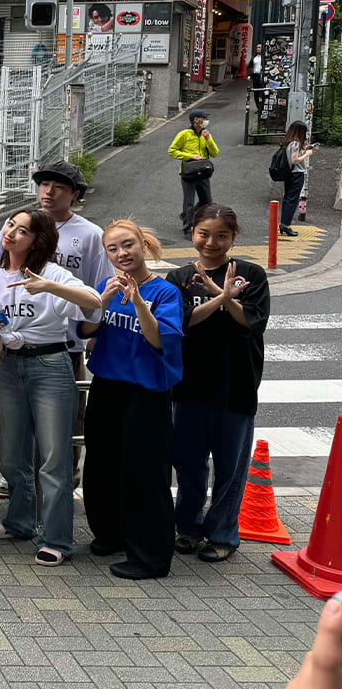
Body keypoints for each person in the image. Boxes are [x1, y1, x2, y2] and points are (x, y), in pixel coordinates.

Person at [0, 161, 113, 493]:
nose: (49, 192)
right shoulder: (23, 224)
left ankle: (64, 480)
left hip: (64, 346)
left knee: (65, 420)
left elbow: (100, 287)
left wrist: (95, 333)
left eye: (59, 187)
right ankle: (15, 477)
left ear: (75, 194)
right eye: (45, 185)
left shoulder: (89, 235)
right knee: (3, 413)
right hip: (14, 342)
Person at [0, 208, 100, 566]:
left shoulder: (53, 273)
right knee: (12, 452)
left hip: (51, 364)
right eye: (11, 225)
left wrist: (48, 286)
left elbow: (94, 304)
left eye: (22, 231)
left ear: (37, 240)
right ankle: (20, 521)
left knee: (54, 458)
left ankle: (56, 538)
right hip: (10, 365)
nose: (11, 233)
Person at [79, 220, 183, 579]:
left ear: (144, 245)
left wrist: (139, 302)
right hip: (107, 384)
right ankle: (110, 534)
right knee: (102, 464)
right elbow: (86, 330)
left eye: (128, 245)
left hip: (147, 390)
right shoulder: (105, 287)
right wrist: (103, 301)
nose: (122, 253)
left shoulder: (165, 292)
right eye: (113, 248)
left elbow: (159, 340)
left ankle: (151, 556)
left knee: (145, 472)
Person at [166, 204, 270, 562]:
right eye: (204, 234)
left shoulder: (250, 275)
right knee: (188, 463)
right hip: (189, 384)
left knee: (231, 467)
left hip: (235, 384)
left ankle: (222, 534)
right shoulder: (180, 278)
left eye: (221, 236)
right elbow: (181, 323)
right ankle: (188, 527)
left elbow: (253, 322)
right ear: (193, 233)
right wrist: (222, 297)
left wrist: (228, 297)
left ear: (233, 237)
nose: (211, 242)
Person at [168, 110, 219, 234]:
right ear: (196, 120)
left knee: (206, 201)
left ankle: (187, 215)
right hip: (189, 173)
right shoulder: (184, 134)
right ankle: (187, 228)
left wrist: (208, 139)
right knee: (189, 202)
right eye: (204, 118)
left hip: (203, 171)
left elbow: (214, 153)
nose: (206, 121)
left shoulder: (206, 134)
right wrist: (190, 156)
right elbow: (172, 151)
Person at [279, 121, 318, 238]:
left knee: (288, 198)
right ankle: (286, 225)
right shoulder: (296, 143)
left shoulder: (289, 142)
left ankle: (284, 223)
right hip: (296, 174)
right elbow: (294, 160)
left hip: (289, 174)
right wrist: (307, 154)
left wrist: (307, 148)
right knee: (292, 200)